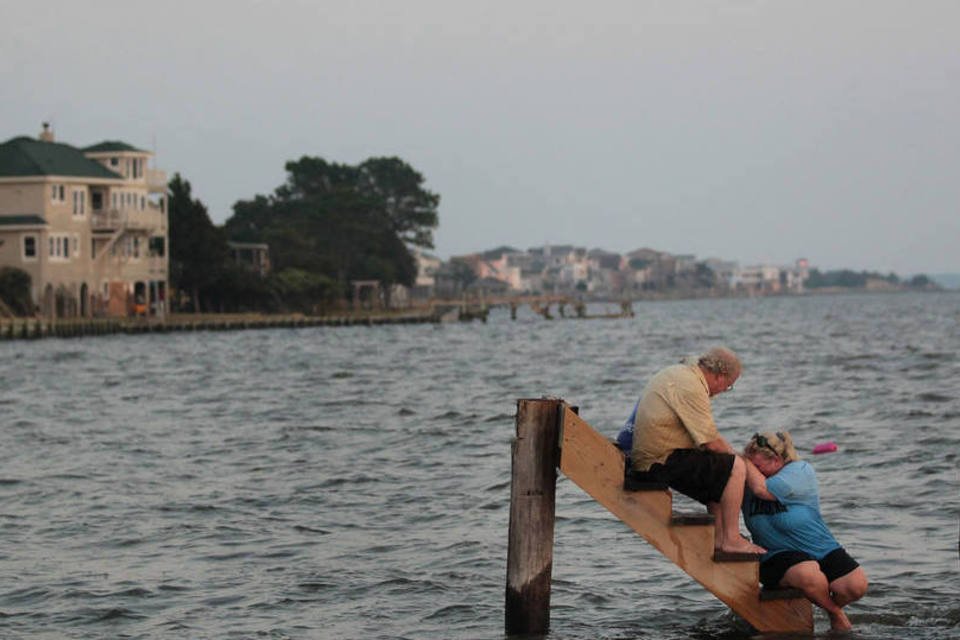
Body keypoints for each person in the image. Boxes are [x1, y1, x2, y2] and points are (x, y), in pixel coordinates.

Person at [621, 347, 764, 556]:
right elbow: (711, 442)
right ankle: (732, 540)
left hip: (653, 455)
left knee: (720, 471)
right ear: (719, 375)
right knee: (735, 467)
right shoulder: (691, 386)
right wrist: (744, 463)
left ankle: (720, 538)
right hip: (658, 461)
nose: (724, 391)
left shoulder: (681, 372)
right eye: (728, 386)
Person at [742, 431, 868, 632]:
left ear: (776, 460)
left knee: (856, 585)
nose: (751, 471)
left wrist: (742, 461)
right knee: (808, 573)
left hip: (819, 547)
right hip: (775, 555)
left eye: (757, 466)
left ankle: (823, 603)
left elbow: (762, 490)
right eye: (750, 465)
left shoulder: (800, 471)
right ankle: (835, 614)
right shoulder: (747, 480)